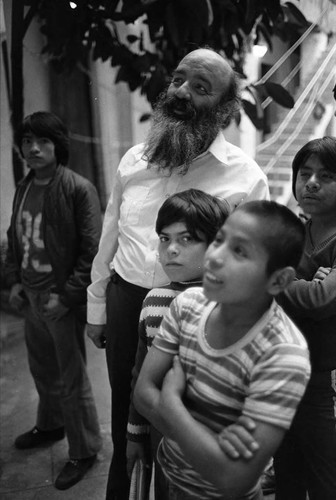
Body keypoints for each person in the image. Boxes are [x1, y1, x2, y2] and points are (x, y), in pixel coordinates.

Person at [87, 47, 270, 500]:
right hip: (128, 300)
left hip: (198, 315)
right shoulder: (134, 160)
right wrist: (96, 304)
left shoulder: (244, 177)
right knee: (126, 420)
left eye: (201, 87)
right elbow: (110, 235)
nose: (183, 92)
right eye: (179, 80)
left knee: (182, 420)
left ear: (225, 108)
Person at [134, 200, 311, 500]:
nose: (215, 257)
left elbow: (234, 480)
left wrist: (172, 405)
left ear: (278, 280)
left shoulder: (282, 353)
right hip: (168, 477)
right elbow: (141, 394)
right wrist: (214, 449)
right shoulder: (188, 304)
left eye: (239, 251)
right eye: (219, 240)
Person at [5, 111, 103, 490]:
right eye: (28, 141)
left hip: (59, 297)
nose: (33, 148)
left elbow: (91, 251)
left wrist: (66, 296)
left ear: (57, 146)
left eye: (42, 141)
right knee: (43, 370)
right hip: (29, 295)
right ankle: (51, 425)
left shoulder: (78, 188)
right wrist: (14, 282)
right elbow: (15, 237)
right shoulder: (25, 186)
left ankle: (84, 448)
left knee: (71, 377)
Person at [126, 189, 229, 498]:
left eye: (187, 239)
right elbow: (140, 375)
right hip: (163, 443)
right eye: (164, 238)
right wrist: (135, 435)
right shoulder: (154, 301)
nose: (171, 250)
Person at [272, 137, 336, 500]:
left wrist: (277, 277)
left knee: (326, 476)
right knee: (287, 472)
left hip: (324, 381)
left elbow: (319, 300)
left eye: (326, 175)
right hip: (283, 372)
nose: (311, 182)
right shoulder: (295, 232)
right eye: (304, 173)